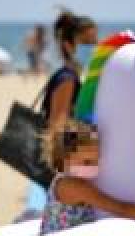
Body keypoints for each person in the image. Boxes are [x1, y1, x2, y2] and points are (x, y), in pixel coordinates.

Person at [41, 10, 99, 139]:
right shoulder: (68, 79)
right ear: (68, 46)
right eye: (86, 42)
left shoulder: (68, 75)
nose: (93, 47)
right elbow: (56, 130)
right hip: (61, 157)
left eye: (95, 41)